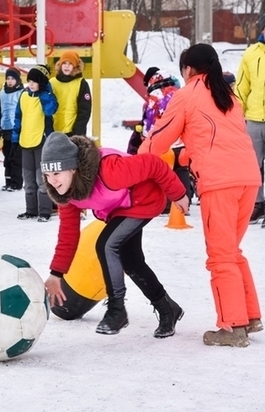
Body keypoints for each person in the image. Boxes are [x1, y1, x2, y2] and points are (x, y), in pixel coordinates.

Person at [141, 43, 263, 347]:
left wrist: (136, 163)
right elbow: (217, 139)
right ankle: (249, 316)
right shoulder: (229, 96)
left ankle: (232, 327)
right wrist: (188, 158)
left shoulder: (187, 95)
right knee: (232, 251)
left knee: (220, 256)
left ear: (188, 69)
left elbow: (158, 139)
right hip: (248, 178)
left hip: (219, 184)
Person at [43, 133, 188, 338]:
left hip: (144, 198)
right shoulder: (64, 194)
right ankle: (168, 309)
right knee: (131, 261)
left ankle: (117, 310)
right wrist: (56, 273)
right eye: (47, 175)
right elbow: (68, 235)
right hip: (119, 209)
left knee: (106, 244)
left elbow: (154, 164)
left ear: (73, 167)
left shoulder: (110, 170)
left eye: (56, 173)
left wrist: (178, 193)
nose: (52, 181)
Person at [142, 69, 191, 214]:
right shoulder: (180, 95)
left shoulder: (154, 98)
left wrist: (146, 138)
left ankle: (168, 203)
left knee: (165, 172)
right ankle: (184, 203)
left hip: (164, 143)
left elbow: (149, 123)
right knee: (182, 170)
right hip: (182, 142)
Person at [13, 64, 57, 222]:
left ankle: (45, 211)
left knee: (41, 180)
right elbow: (18, 117)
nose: (30, 84)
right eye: (29, 81)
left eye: (35, 81)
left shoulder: (46, 96)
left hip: (41, 142)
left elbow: (51, 110)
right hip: (26, 142)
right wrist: (14, 139)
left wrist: (44, 93)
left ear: (41, 83)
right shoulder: (23, 96)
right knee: (29, 179)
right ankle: (31, 210)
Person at [235, 15, 265, 224]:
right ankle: (258, 204)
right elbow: (241, 87)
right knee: (253, 166)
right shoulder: (251, 54)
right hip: (254, 119)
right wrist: (238, 116)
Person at [49, 50, 91, 136]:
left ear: (75, 66)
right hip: (54, 132)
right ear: (60, 65)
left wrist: (78, 131)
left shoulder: (81, 84)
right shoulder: (52, 83)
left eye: (70, 63)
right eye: (64, 63)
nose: (67, 66)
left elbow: (85, 110)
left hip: (74, 132)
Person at [0, 67, 24, 191]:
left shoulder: (22, 92)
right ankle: (8, 180)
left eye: (13, 79)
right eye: (8, 78)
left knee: (16, 157)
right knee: (7, 155)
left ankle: (16, 182)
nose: (10, 81)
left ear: (17, 80)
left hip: (17, 128)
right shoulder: (2, 92)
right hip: (5, 128)